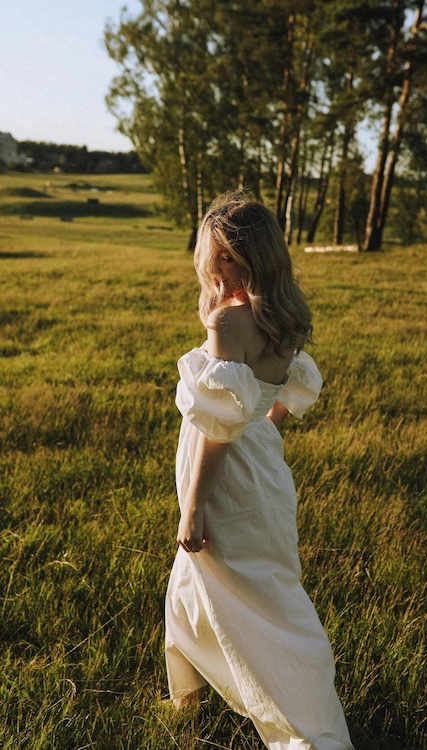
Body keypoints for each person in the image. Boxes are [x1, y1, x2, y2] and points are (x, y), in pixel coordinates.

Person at [165, 193, 354, 750]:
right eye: (214, 257)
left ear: (254, 257)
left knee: (259, 595)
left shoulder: (230, 320)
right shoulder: (285, 313)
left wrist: (194, 504)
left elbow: (217, 431)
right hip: (263, 467)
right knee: (199, 581)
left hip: (224, 475)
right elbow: (277, 396)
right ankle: (186, 696)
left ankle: (312, 729)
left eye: (227, 258)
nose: (217, 269)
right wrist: (260, 426)